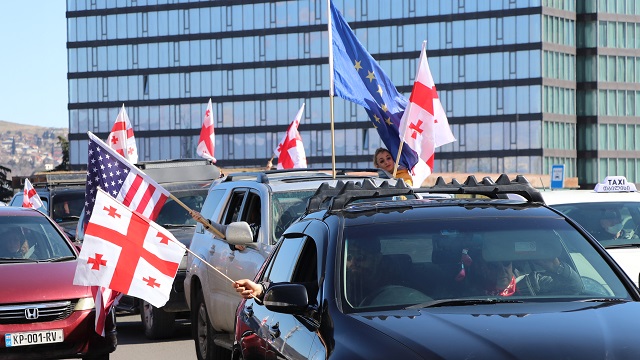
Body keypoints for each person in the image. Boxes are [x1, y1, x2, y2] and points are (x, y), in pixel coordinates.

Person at [472, 255, 582, 297]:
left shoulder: (533, 283)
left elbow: (576, 287)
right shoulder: (470, 293)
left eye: (506, 263)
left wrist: (556, 267)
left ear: (512, 265)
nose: (502, 270)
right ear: (482, 269)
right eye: (493, 265)